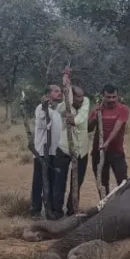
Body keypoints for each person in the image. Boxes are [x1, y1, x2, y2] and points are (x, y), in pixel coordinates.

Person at [53, 85, 90, 216]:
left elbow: (82, 118)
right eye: (77, 96)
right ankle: (56, 211)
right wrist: (67, 100)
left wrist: (73, 120)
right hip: (64, 148)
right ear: (71, 97)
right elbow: (60, 110)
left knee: (77, 182)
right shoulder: (63, 106)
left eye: (81, 95)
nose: (81, 98)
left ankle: (72, 209)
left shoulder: (86, 101)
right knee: (59, 181)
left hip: (82, 150)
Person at [88, 84, 130, 196]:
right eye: (108, 97)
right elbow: (88, 128)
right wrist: (95, 117)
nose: (111, 100)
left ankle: (123, 206)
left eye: (114, 97)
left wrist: (106, 143)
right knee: (102, 183)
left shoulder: (123, 109)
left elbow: (117, 128)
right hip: (98, 152)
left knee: (123, 182)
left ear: (118, 96)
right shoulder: (97, 109)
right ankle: (103, 207)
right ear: (103, 96)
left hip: (116, 152)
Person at [30, 84, 63, 218]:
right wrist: (45, 109)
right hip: (42, 151)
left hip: (54, 151)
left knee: (51, 180)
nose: (59, 93)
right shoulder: (41, 108)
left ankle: (49, 209)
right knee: (39, 181)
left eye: (60, 91)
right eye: (56, 91)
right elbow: (43, 125)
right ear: (48, 95)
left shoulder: (57, 111)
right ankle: (35, 210)